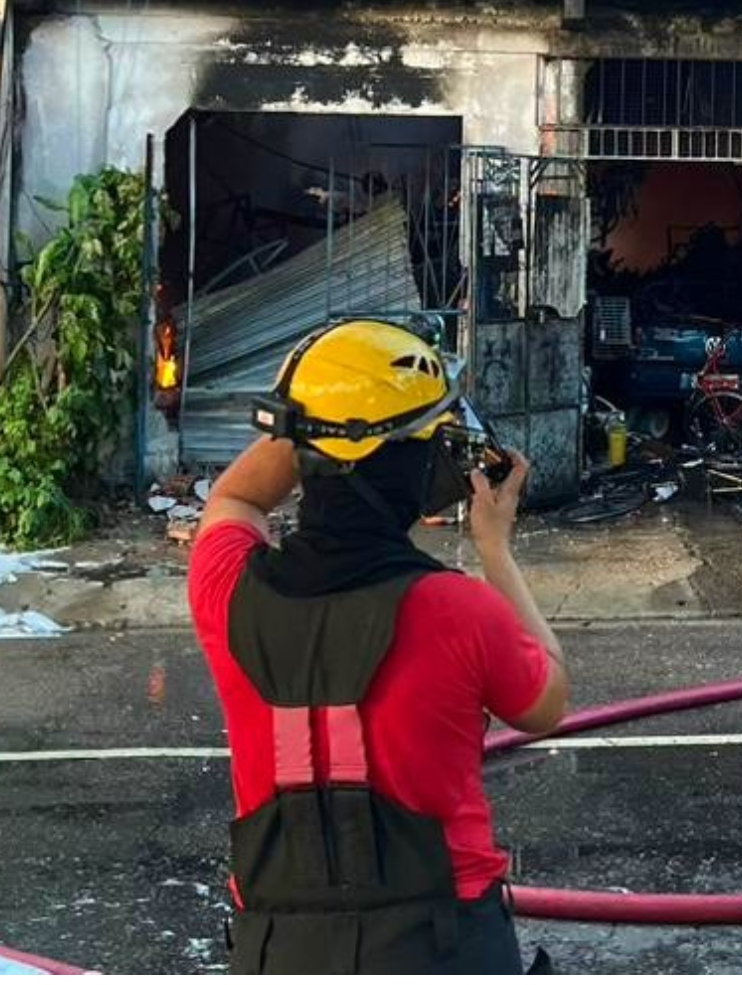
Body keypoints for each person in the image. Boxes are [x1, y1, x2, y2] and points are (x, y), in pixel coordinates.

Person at [186, 319, 570, 974]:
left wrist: (309, 423)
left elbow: (237, 497)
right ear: (415, 470)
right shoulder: (459, 610)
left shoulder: (224, 587)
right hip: (442, 947)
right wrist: (494, 549)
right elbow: (547, 702)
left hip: (281, 954)